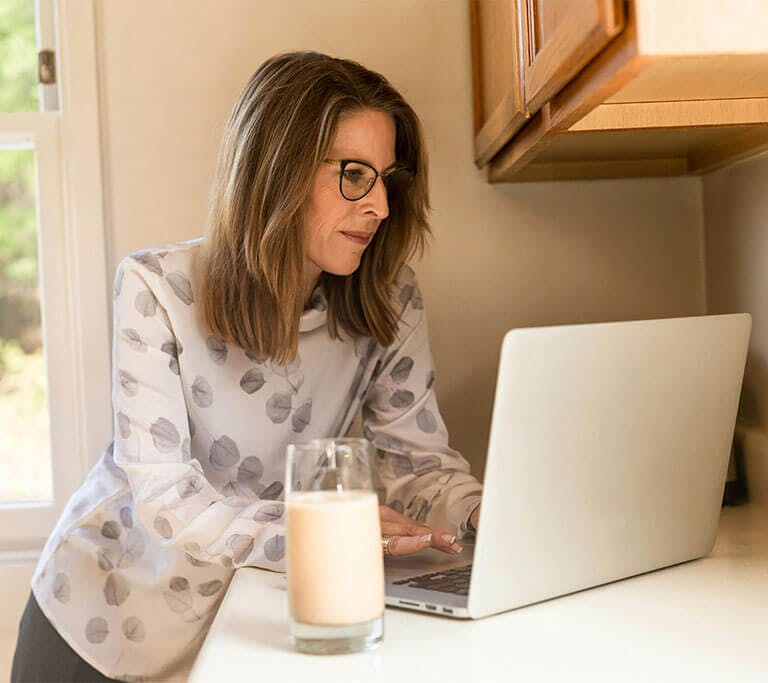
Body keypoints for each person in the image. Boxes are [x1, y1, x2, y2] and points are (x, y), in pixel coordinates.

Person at [11, 50, 483, 682]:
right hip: (100, 623)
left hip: (241, 627)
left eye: (387, 180)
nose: (381, 207)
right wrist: (327, 532)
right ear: (275, 170)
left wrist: (488, 512)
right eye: (353, 175)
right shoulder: (156, 289)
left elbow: (416, 467)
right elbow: (169, 501)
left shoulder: (390, 302)